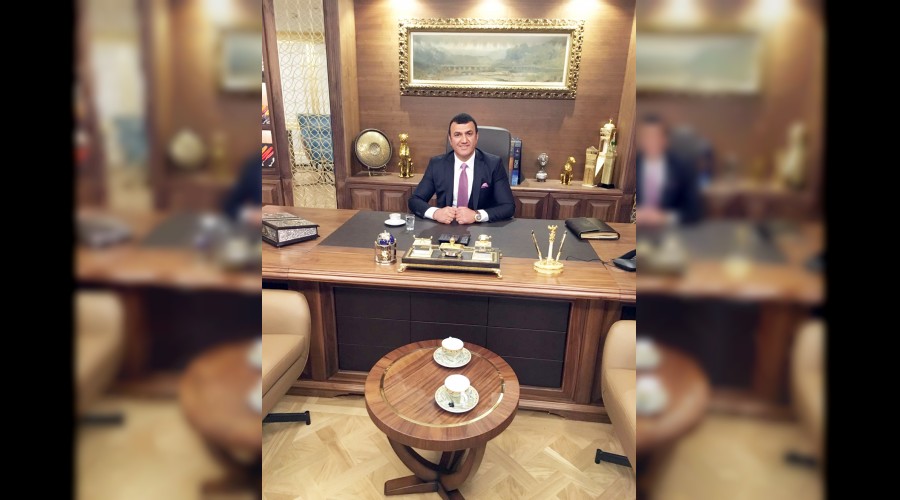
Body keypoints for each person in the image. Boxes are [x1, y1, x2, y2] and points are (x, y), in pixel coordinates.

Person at [408, 113, 515, 224]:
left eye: (469, 134)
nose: (464, 140)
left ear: (477, 137)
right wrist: (436, 213)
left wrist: (477, 215)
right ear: (450, 140)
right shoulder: (437, 165)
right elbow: (415, 200)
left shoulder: (493, 164)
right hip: (446, 226)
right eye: (457, 135)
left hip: (481, 228)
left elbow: (508, 207)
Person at [635, 114, 703, 225]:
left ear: (665, 140)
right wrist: (637, 215)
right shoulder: (633, 165)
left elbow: (694, 211)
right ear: (641, 140)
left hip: (672, 230)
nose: (651, 142)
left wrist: (665, 218)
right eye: (647, 137)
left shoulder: (683, 167)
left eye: (656, 136)